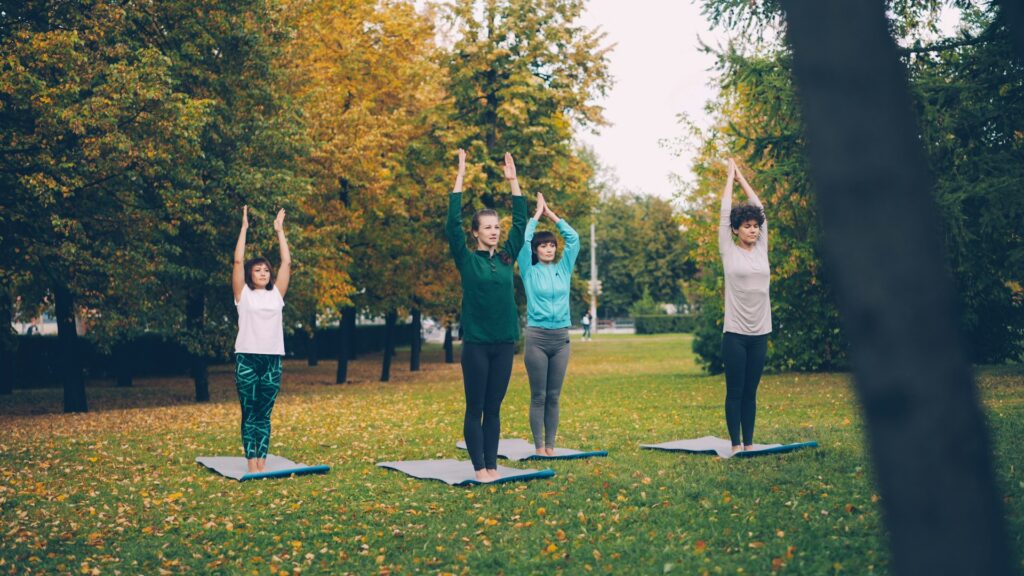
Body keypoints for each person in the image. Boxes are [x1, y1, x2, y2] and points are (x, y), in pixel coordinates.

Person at [446, 149, 527, 482]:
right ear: (476, 232)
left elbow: (521, 222)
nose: (494, 231)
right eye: (488, 227)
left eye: (497, 226)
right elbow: (452, 223)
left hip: (505, 343)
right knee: (475, 407)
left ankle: (493, 466)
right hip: (477, 344)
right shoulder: (468, 260)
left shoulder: (507, 257)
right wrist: (461, 176)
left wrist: (513, 182)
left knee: (494, 409)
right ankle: (479, 469)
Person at [517, 193, 580, 456]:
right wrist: (535, 216)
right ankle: (539, 446)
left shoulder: (563, 269)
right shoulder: (528, 269)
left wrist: (552, 215)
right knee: (539, 396)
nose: (549, 249)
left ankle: (551, 445)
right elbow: (521, 240)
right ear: (535, 249)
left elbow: (574, 239)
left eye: (552, 245)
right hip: (537, 339)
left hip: (561, 339)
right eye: (543, 246)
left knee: (554, 395)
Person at [232, 206, 291, 473]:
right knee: (249, 411)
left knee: (264, 414)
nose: (263, 273)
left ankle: (262, 461)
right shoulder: (243, 295)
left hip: (272, 361)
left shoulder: (276, 295)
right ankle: (251, 461)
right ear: (250, 275)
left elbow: (287, 263)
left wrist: (280, 231)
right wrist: (244, 228)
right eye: (257, 270)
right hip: (247, 358)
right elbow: (236, 262)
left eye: (266, 270)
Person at [719, 158, 771, 453]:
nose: (752, 230)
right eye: (747, 226)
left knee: (751, 392)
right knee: (735, 391)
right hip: (735, 333)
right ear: (736, 229)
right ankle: (736, 444)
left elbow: (761, 208)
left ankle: (749, 443)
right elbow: (725, 211)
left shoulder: (762, 248)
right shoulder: (729, 251)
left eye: (755, 227)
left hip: (760, 331)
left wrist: (743, 179)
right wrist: (729, 179)